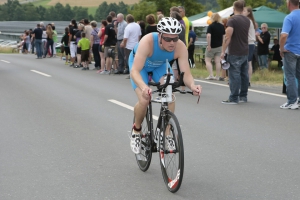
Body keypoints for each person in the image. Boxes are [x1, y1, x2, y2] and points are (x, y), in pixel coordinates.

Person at [129, 17, 202, 154]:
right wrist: (144, 87)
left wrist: (192, 85)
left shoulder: (180, 46)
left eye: (175, 38)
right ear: (160, 35)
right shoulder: (148, 41)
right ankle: (136, 130)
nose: (172, 43)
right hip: (140, 67)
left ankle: (167, 133)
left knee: (170, 95)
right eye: (168, 39)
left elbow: (186, 73)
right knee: (144, 99)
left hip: (160, 66)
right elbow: (135, 71)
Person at [221, 0, 250, 104]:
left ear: (233, 9)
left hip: (234, 51)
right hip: (245, 50)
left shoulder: (232, 20)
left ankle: (233, 97)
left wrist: (223, 51)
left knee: (234, 75)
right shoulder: (247, 20)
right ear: (243, 9)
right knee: (244, 74)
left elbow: (228, 37)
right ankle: (243, 96)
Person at [279, 0, 300, 109]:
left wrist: (281, 49)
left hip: (291, 50)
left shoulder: (289, 17)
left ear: (289, 4)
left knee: (290, 76)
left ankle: (292, 101)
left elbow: (283, 36)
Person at [205, 13, 225, 80]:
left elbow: (208, 36)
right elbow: (224, 37)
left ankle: (211, 75)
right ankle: (217, 76)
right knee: (217, 61)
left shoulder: (210, 26)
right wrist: (222, 45)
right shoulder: (222, 26)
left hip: (212, 46)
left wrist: (209, 45)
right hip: (219, 46)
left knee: (208, 60)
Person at [243, 6, 256, 86]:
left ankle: (247, 80)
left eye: (244, 11)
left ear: (248, 13)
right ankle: (248, 80)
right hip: (250, 43)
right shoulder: (251, 21)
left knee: (247, 62)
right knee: (249, 62)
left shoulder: (247, 21)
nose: (243, 12)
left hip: (248, 43)